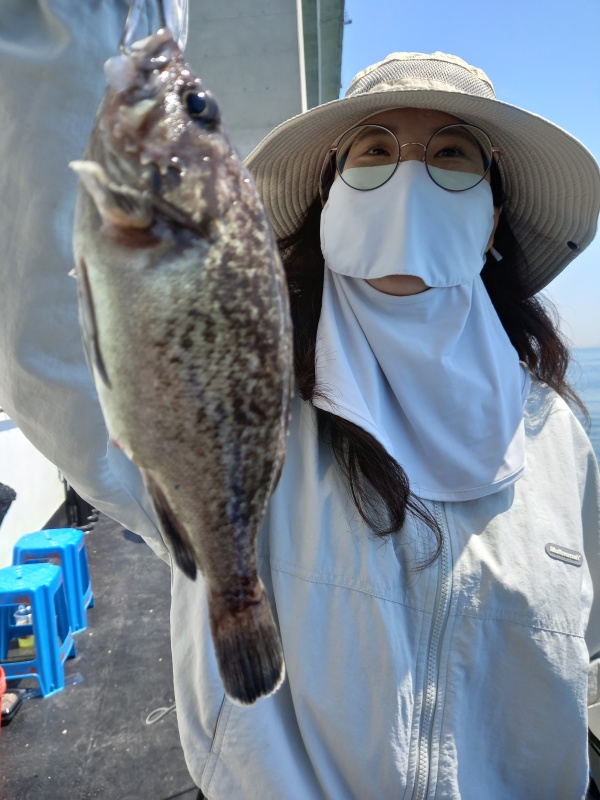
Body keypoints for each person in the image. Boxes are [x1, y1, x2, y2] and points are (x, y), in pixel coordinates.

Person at [0, 6, 599, 798]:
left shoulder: (560, 438)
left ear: (493, 219)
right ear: (330, 202)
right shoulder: (255, 394)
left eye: (452, 154)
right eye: (374, 151)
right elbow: (45, 346)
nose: (409, 176)